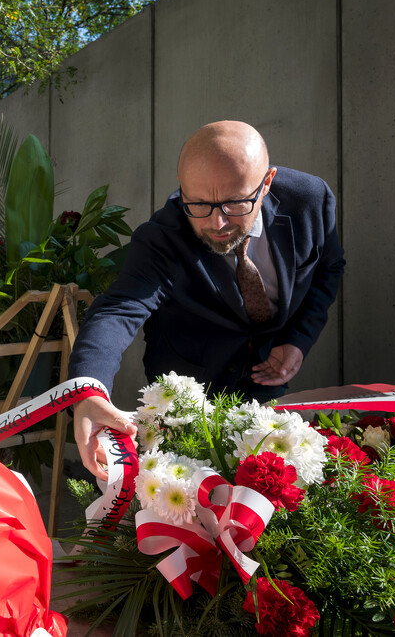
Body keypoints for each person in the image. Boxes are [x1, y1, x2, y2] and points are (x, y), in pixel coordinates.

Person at [68, 121, 345, 479]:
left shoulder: (311, 201)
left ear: (267, 183)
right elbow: (117, 310)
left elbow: (329, 268)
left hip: (266, 378)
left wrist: (298, 340)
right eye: (197, 203)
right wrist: (89, 389)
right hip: (186, 392)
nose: (217, 222)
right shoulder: (162, 238)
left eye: (234, 203)